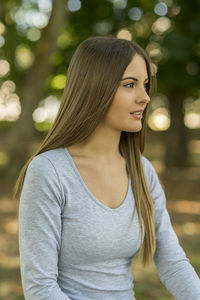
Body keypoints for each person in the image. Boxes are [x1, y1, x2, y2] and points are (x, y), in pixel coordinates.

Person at [15, 36, 200, 300]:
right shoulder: (49, 171)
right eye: (130, 85)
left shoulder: (142, 171)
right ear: (95, 88)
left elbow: (173, 263)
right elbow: (40, 288)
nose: (145, 97)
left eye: (145, 85)